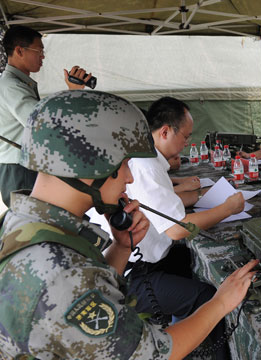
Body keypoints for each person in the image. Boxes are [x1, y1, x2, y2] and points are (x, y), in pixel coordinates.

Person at [0, 90, 258, 359]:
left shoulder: (26, 223)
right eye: (124, 164)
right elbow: (152, 354)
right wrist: (221, 303)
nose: (130, 178)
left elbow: (89, 293)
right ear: (93, 164)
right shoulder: (60, 271)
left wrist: (122, 249)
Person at [88, 96, 245, 356]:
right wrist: (227, 208)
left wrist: (195, 196)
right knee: (206, 295)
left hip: (137, 261)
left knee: (187, 258)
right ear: (165, 131)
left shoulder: (148, 161)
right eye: (185, 136)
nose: (187, 143)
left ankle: (185, 331)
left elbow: (159, 203)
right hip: (132, 273)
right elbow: (177, 229)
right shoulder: (146, 165)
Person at [0, 25, 93, 207]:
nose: (43, 56)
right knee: (31, 223)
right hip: (19, 169)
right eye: (39, 51)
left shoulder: (18, 83)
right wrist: (72, 93)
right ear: (19, 50)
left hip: (22, 166)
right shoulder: (12, 86)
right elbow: (43, 123)